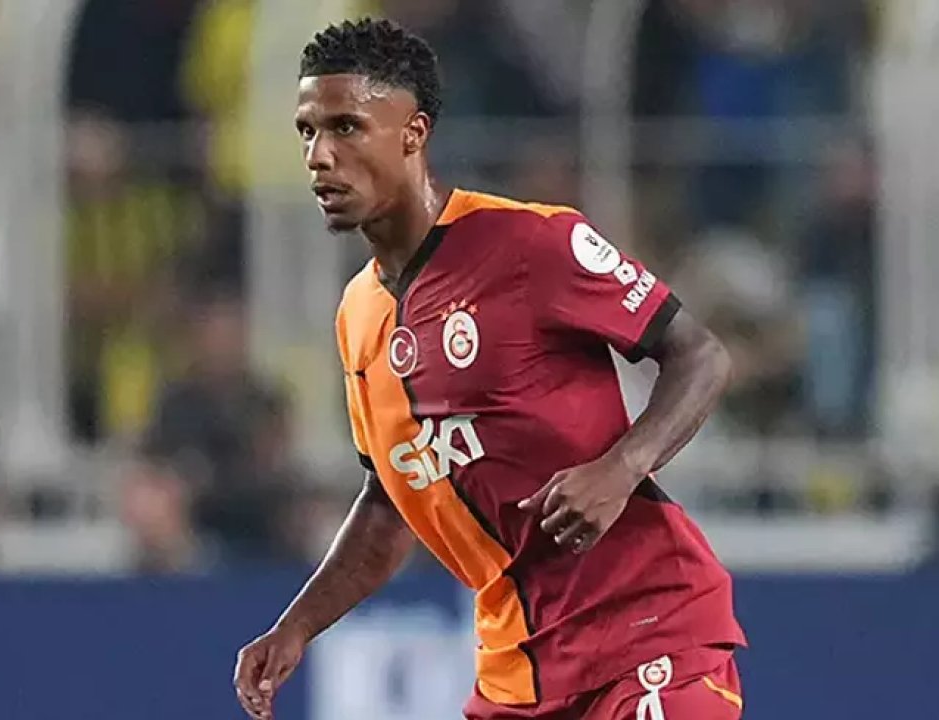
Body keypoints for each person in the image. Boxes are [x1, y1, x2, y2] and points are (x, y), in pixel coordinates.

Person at [234, 18, 747, 720]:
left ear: (413, 133)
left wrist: (621, 467)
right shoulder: (357, 317)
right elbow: (390, 502)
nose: (320, 156)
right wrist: (296, 626)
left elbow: (700, 355)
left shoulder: (531, 243)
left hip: (647, 631)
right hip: (517, 677)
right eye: (307, 132)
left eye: (346, 127)